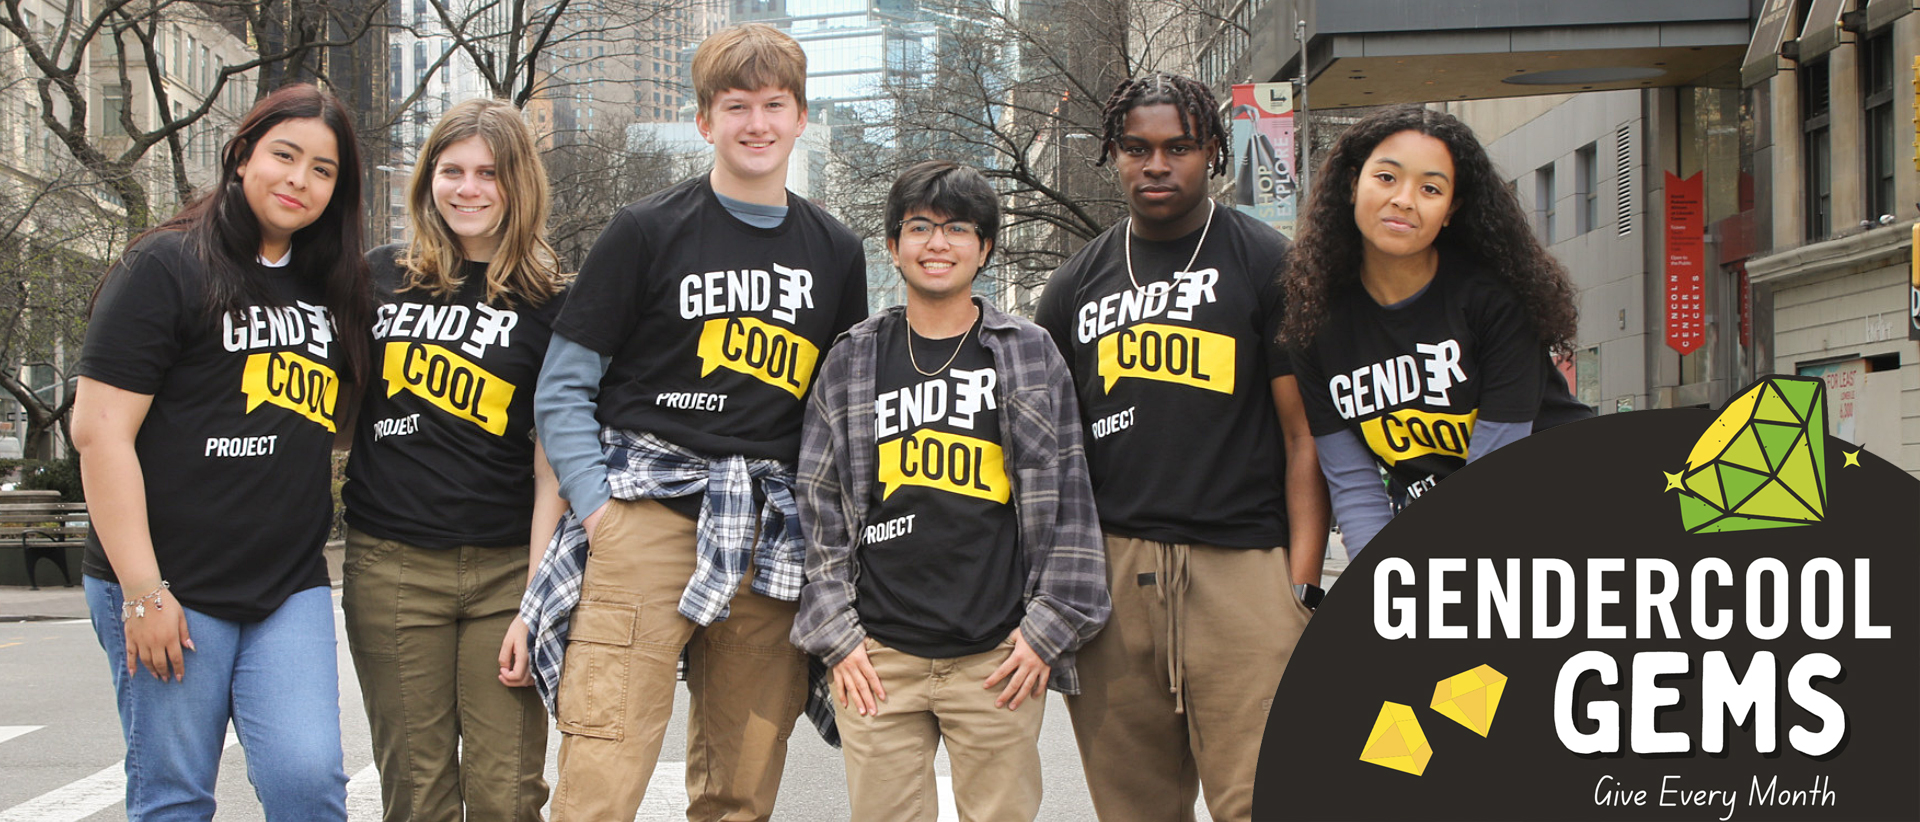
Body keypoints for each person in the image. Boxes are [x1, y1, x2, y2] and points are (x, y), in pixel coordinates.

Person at [526, 22, 869, 821]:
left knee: (742, 787)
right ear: (704, 120)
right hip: (647, 517)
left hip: (770, 535)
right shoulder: (644, 229)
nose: (757, 123)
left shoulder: (836, 251)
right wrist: (603, 515)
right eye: (736, 104)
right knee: (600, 778)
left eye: (775, 104)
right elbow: (562, 386)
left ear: (801, 118)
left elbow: (838, 412)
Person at [1033, 73, 1329, 822]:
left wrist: (1298, 589)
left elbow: (1304, 438)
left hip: (1244, 574)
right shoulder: (1072, 287)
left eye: (1179, 147)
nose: (1157, 165)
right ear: (1113, 154)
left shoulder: (1268, 263)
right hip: (1114, 580)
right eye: (1137, 148)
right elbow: (1049, 461)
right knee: (1135, 812)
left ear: (1212, 154)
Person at [71, 83, 372, 821]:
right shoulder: (167, 265)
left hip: (286, 588)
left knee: (309, 785)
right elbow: (97, 432)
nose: (300, 179)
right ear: (242, 156)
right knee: (174, 796)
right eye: (285, 155)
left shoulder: (332, 287)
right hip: (170, 586)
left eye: (323, 170)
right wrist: (143, 590)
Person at [791, 161, 1110, 821]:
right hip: (878, 655)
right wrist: (838, 636)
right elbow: (816, 510)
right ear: (893, 246)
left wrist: (1046, 629)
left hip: (997, 654)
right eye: (919, 228)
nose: (937, 244)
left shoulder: (1029, 353)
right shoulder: (853, 358)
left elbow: (1070, 499)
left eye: (957, 229)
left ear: (985, 247)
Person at [339, 97, 567, 822]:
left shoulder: (553, 300)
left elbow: (552, 465)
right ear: (427, 180)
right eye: (452, 170)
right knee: (417, 792)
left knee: (509, 793)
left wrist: (537, 600)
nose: (468, 188)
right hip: (392, 566)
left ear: (518, 184)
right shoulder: (374, 279)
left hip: (507, 570)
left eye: (488, 173)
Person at [1283, 104, 1592, 558]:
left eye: (1430, 188)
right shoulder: (1314, 322)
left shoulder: (1493, 300)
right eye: (1386, 178)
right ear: (1352, 184)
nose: (1404, 199)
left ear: (1450, 210)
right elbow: (1353, 485)